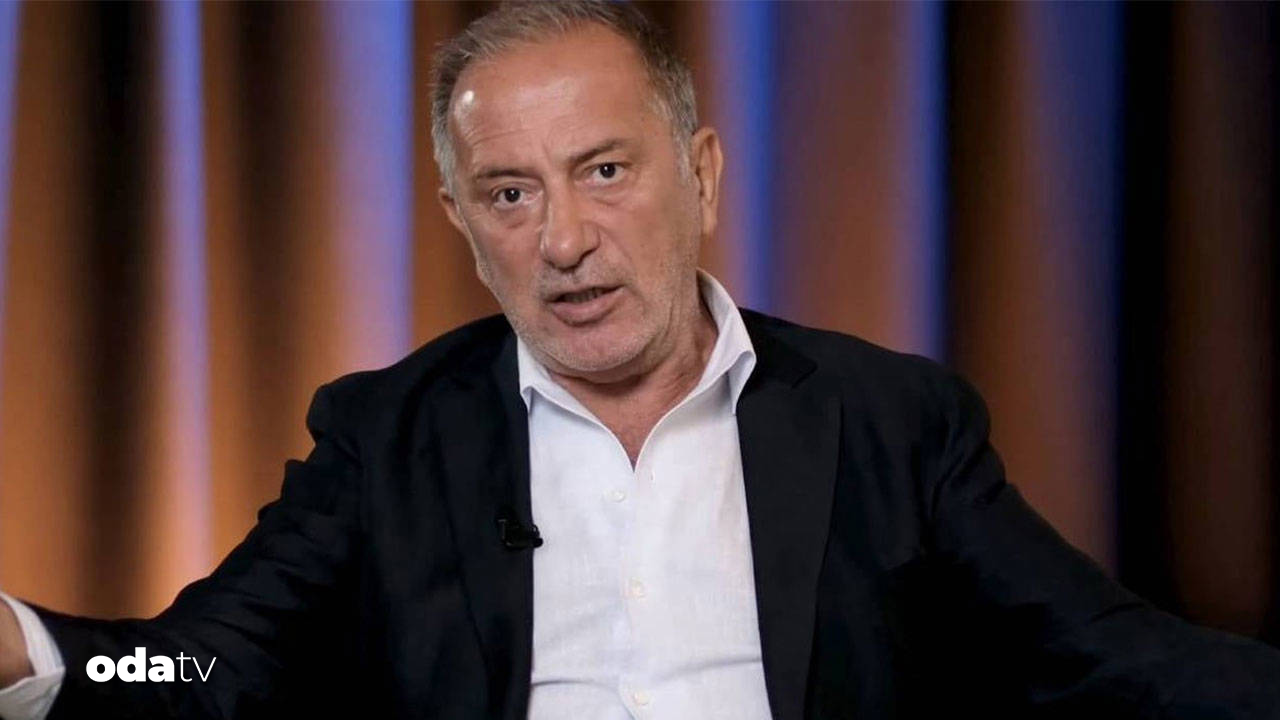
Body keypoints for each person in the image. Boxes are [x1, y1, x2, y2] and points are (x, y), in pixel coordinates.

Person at [2, 2, 1278, 718]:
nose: (562, 239)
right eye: (508, 194)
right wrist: (28, 650)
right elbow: (207, 663)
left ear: (702, 176)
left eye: (604, 170)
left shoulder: (888, 419)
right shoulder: (387, 435)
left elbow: (1111, 659)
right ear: (461, 224)